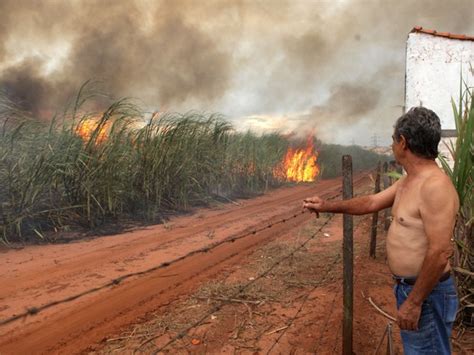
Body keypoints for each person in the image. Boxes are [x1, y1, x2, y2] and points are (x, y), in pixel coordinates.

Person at [303, 107, 459, 354]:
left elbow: (440, 252)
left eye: (393, 140)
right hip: (411, 289)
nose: (393, 145)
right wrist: (327, 205)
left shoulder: (434, 186)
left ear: (403, 142)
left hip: (427, 293)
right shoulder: (409, 180)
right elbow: (371, 202)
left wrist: (414, 302)